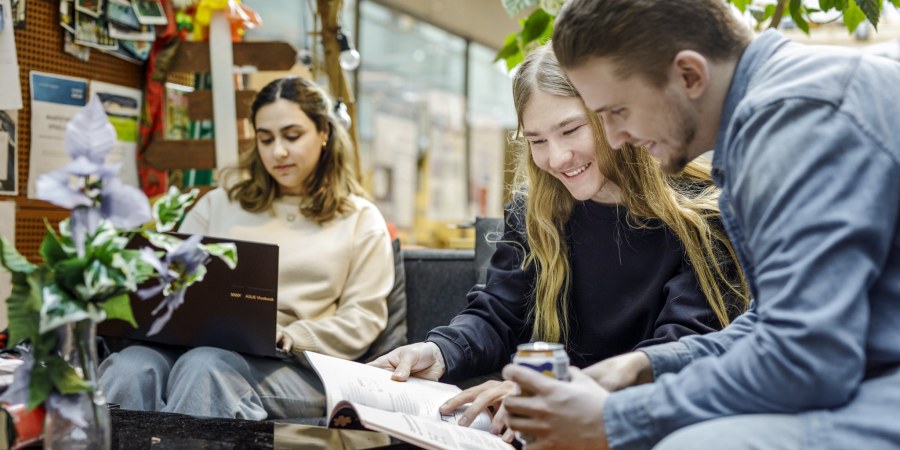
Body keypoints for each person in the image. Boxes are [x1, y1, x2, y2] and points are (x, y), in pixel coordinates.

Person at [500, 1, 900, 449]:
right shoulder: (777, 111)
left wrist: (616, 419)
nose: (614, 138)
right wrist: (647, 366)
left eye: (617, 111)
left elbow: (808, 358)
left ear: (689, 75)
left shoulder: (796, 123)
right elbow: (777, 323)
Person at [370, 44, 749, 439]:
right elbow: (498, 315)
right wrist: (439, 352)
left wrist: (547, 387)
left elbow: (681, 348)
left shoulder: (702, 209)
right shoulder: (532, 211)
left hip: (648, 424)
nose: (557, 157)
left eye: (570, 129)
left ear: (613, 115)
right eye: (537, 141)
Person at [99, 77, 394, 420]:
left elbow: (363, 318)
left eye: (292, 136)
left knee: (205, 368)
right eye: (265, 139)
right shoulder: (219, 204)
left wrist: (293, 335)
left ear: (324, 132)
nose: (277, 151)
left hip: (296, 363)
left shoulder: (360, 218)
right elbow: (170, 281)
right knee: (130, 367)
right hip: (196, 344)